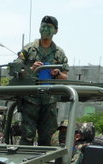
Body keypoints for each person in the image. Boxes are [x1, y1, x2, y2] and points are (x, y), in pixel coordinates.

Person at [16, 15, 69, 146]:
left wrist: (57, 74)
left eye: (49, 27)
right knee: (27, 136)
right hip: (30, 99)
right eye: (43, 26)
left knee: (46, 138)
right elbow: (16, 69)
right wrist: (31, 68)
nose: (45, 29)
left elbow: (65, 76)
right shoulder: (28, 49)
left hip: (49, 101)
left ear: (56, 31)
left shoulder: (59, 53)